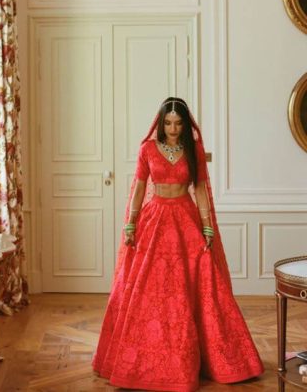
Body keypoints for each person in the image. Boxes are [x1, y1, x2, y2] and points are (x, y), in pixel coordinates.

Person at [93, 97, 264, 391]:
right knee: (149, 289)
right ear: (160, 123)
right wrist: (130, 222)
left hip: (186, 220)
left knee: (198, 287)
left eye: (178, 123)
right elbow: (139, 187)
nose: (172, 128)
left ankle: (212, 360)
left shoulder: (193, 150)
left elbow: (199, 189)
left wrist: (207, 226)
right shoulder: (147, 149)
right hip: (155, 220)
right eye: (168, 123)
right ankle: (142, 363)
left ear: (186, 124)